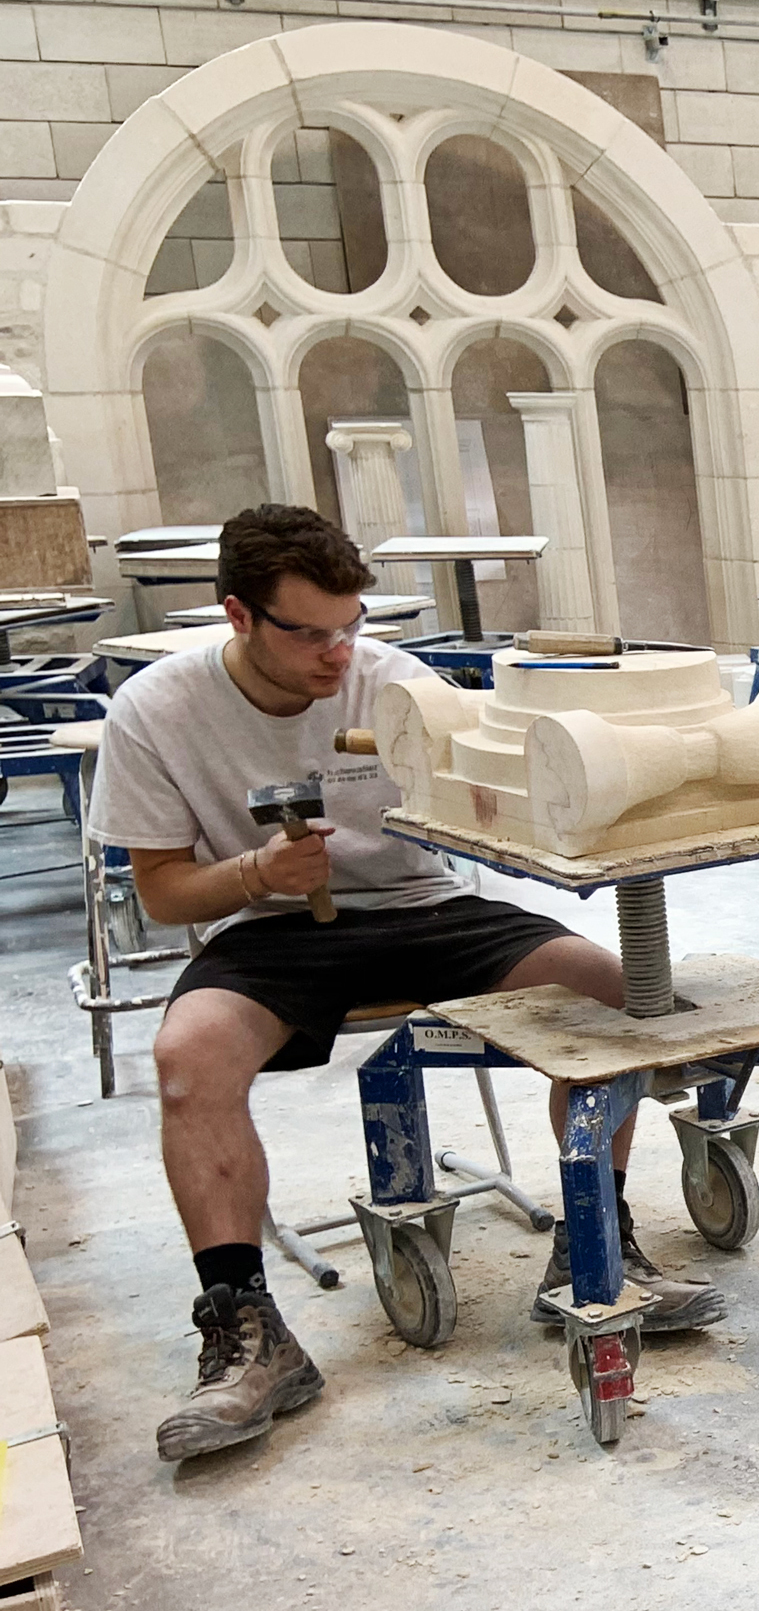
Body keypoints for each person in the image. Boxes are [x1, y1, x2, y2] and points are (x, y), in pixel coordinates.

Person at [89, 504, 724, 1467]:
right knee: (188, 1058)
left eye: (349, 627)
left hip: (424, 905)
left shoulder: (396, 683)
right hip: (266, 928)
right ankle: (245, 1335)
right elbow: (165, 892)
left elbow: (491, 806)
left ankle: (595, 1248)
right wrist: (259, 875)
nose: (337, 655)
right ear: (238, 616)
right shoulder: (157, 710)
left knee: (609, 991)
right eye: (307, 633)